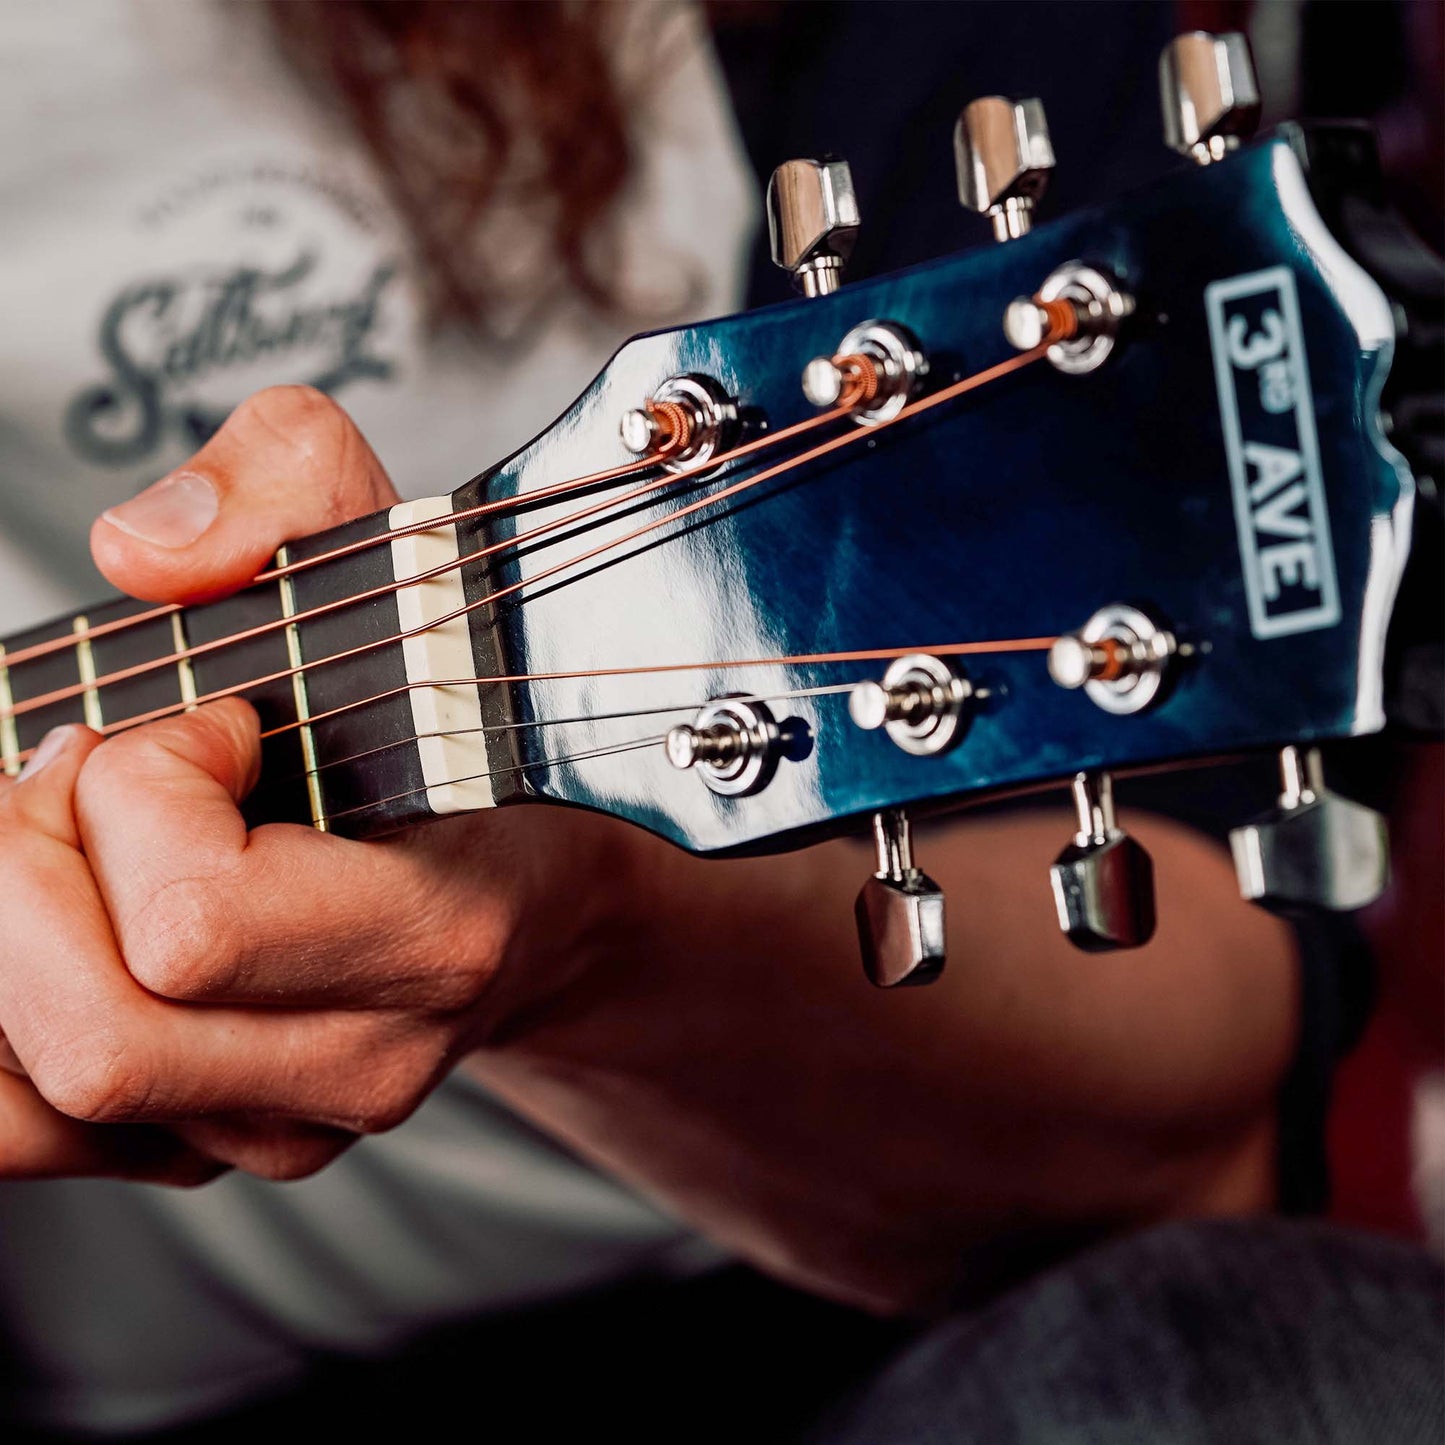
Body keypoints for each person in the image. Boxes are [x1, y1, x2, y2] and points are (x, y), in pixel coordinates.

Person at [0, 2, 1435, 1439]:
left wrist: (593, 934)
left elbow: (1202, 1119)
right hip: (119, 1387)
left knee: (1291, 1382)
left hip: (809, 1317)